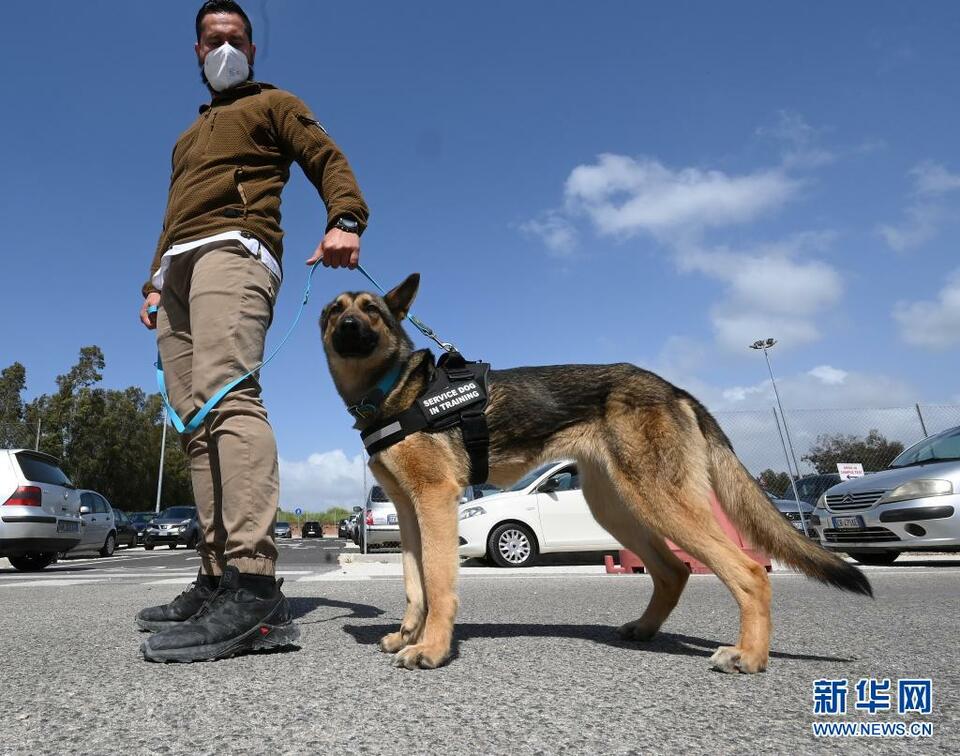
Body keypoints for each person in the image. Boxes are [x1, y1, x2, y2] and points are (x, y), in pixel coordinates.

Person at [136, 0, 369, 662]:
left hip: (235, 250)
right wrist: (153, 281)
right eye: (214, 39)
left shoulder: (275, 103)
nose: (225, 48)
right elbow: (171, 215)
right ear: (197, 51)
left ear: (253, 49)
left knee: (228, 395)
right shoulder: (186, 137)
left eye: (236, 38)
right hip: (178, 268)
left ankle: (257, 591)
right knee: (192, 423)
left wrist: (345, 218)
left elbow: (326, 156)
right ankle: (216, 580)